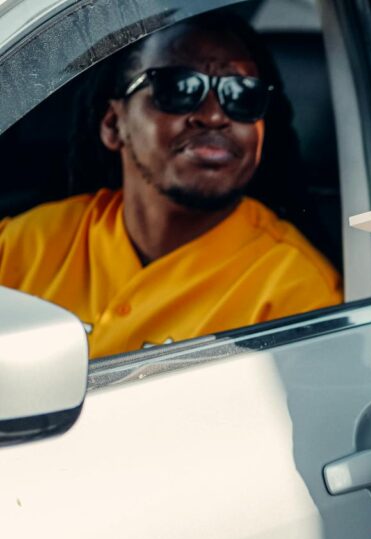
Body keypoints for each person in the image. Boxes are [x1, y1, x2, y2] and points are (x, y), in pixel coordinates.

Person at [0, 12, 341, 359]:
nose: (213, 115)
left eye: (242, 94)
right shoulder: (23, 245)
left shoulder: (296, 289)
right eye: (178, 87)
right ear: (113, 124)